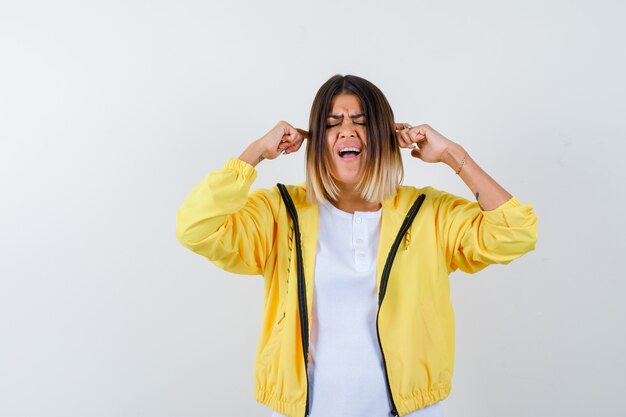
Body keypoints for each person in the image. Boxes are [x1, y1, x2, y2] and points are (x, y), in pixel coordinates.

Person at [175, 74, 538, 417]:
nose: (347, 130)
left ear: (382, 134)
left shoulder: (426, 214)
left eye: (361, 121)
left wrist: (452, 155)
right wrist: (255, 152)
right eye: (332, 123)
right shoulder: (281, 213)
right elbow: (195, 226)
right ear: (318, 140)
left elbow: (516, 233)